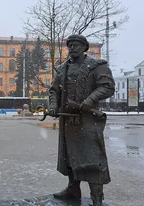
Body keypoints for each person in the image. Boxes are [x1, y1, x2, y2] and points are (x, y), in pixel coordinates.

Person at [48, 34, 115, 206]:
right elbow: (54, 91)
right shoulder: (62, 69)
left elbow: (107, 87)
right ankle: (73, 189)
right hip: (68, 121)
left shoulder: (97, 66)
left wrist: (90, 100)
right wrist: (53, 106)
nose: (72, 48)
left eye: (76, 45)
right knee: (69, 157)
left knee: (92, 158)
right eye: (70, 45)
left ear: (84, 47)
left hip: (88, 120)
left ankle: (97, 198)